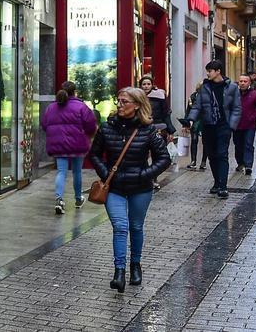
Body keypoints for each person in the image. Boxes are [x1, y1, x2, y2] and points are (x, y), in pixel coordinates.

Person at [89, 87, 171, 293]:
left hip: (140, 188)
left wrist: (145, 175)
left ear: (137, 105)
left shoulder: (148, 130)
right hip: (114, 188)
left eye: (124, 102)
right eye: (118, 101)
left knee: (135, 226)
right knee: (120, 226)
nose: (119, 105)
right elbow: (95, 154)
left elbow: (164, 159)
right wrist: (106, 173)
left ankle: (136, 265)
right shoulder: (107, 127)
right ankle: (119, 271)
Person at [183, 60, 241, 198]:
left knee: (222, 154)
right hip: (208, 126)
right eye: (207, 71)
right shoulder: (205, 87)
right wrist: (190, 119)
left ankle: (223, 186)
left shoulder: (231, 87)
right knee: (212, 155)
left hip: (223, 126)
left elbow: (237, 108)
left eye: (210, 71)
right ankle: (216, 182)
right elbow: (197, 106)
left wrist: (231, 126)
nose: (207, 73)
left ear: (218, 71)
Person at [41, 81, 98, 214]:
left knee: (61, 172)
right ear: (75, 91)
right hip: (77, 145)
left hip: (59, 145)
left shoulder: (51, 107)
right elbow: (90, 125)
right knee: (77, 172)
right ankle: (78, 199)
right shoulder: (81, 107)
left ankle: (59, 199)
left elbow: (45, 125)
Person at [140, 75, 174, 190]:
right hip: (142, 128)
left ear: (152, 85)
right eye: (144, 84)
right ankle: (144, 177)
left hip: (158, 128)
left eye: (148, 84)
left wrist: (170, 130)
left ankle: (154, 178)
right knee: (142, 154)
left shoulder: (159, 95)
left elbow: (166, 113)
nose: (146, 86)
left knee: (157, 154)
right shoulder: (137, 97)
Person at [234, 75, 256, 175]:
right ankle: (240, 163)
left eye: (245, 81)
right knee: (238, 145)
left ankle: (248, 165)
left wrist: (254, 116)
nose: (243, 83)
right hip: (237, 124)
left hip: (250, 125)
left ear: (249, 83)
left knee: (248, 144)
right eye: (241, 81)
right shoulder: (235, 94)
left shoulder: (254, 94)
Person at [184, 82, 207, 172]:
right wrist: (185, 123)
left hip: (205, 121)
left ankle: (203, 161)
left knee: (206, 141)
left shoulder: (209, 97)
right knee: (194, 140)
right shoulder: (193, 96)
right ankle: (193, 161)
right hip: (195, 121)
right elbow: (188, 110)